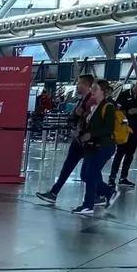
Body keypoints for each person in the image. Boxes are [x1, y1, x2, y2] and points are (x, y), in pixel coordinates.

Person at [36, 74, 96, 204]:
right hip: (78, 139)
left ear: (86, 85)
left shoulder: (91, 101)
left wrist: (82, 114)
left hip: (86, 141)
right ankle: (54, 192)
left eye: (79, 83)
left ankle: (104, 193)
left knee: (88, 172)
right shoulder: (82, 99)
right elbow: (74, 117)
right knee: (68, 167)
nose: (77, 86)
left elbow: (94, 119)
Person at [72, 80, 118, 216]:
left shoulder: (108, 107)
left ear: (103, 91)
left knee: (91, 174)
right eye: (92, 88)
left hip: (103, 146)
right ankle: (109, 192)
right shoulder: (95, 107)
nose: (92, 91)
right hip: (92, 146)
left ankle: (88, 205)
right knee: (85, 174)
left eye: (95, 89)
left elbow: (108, 128)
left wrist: (91, 134)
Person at [109, 78, 137, 188]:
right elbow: (117, 110)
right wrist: (128, 112)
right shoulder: (124, 94)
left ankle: (123, 177)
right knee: (120, 152)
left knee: (130, 153)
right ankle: (112, 177)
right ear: (135, 85)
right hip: (124, 126)